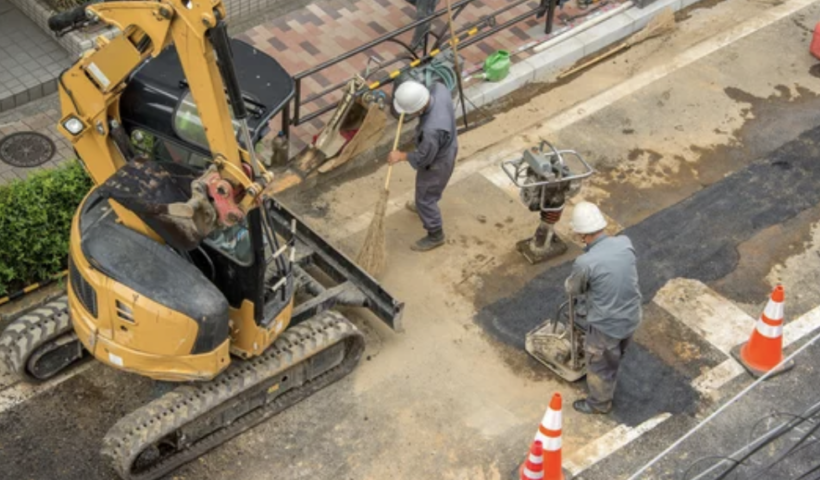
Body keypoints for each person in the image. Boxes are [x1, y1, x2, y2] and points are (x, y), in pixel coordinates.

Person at [564, 202, 642, 415]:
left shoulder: (585, 262)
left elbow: (574, 288)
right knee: (615, 352)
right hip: (632, 315)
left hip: (606, 326)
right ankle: (612, 363)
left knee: (600, 366)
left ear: (581, 234)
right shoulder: (625, 243)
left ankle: (599, 404)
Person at [388, 80, 458, 252]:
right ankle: (424, 206)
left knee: (425, 197)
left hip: (437, 162)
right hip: (449, 145)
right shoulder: (439, 89)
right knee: (428, 191)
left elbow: (423, 159)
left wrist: (401, 156)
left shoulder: (431, 131)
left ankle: (435, 234)